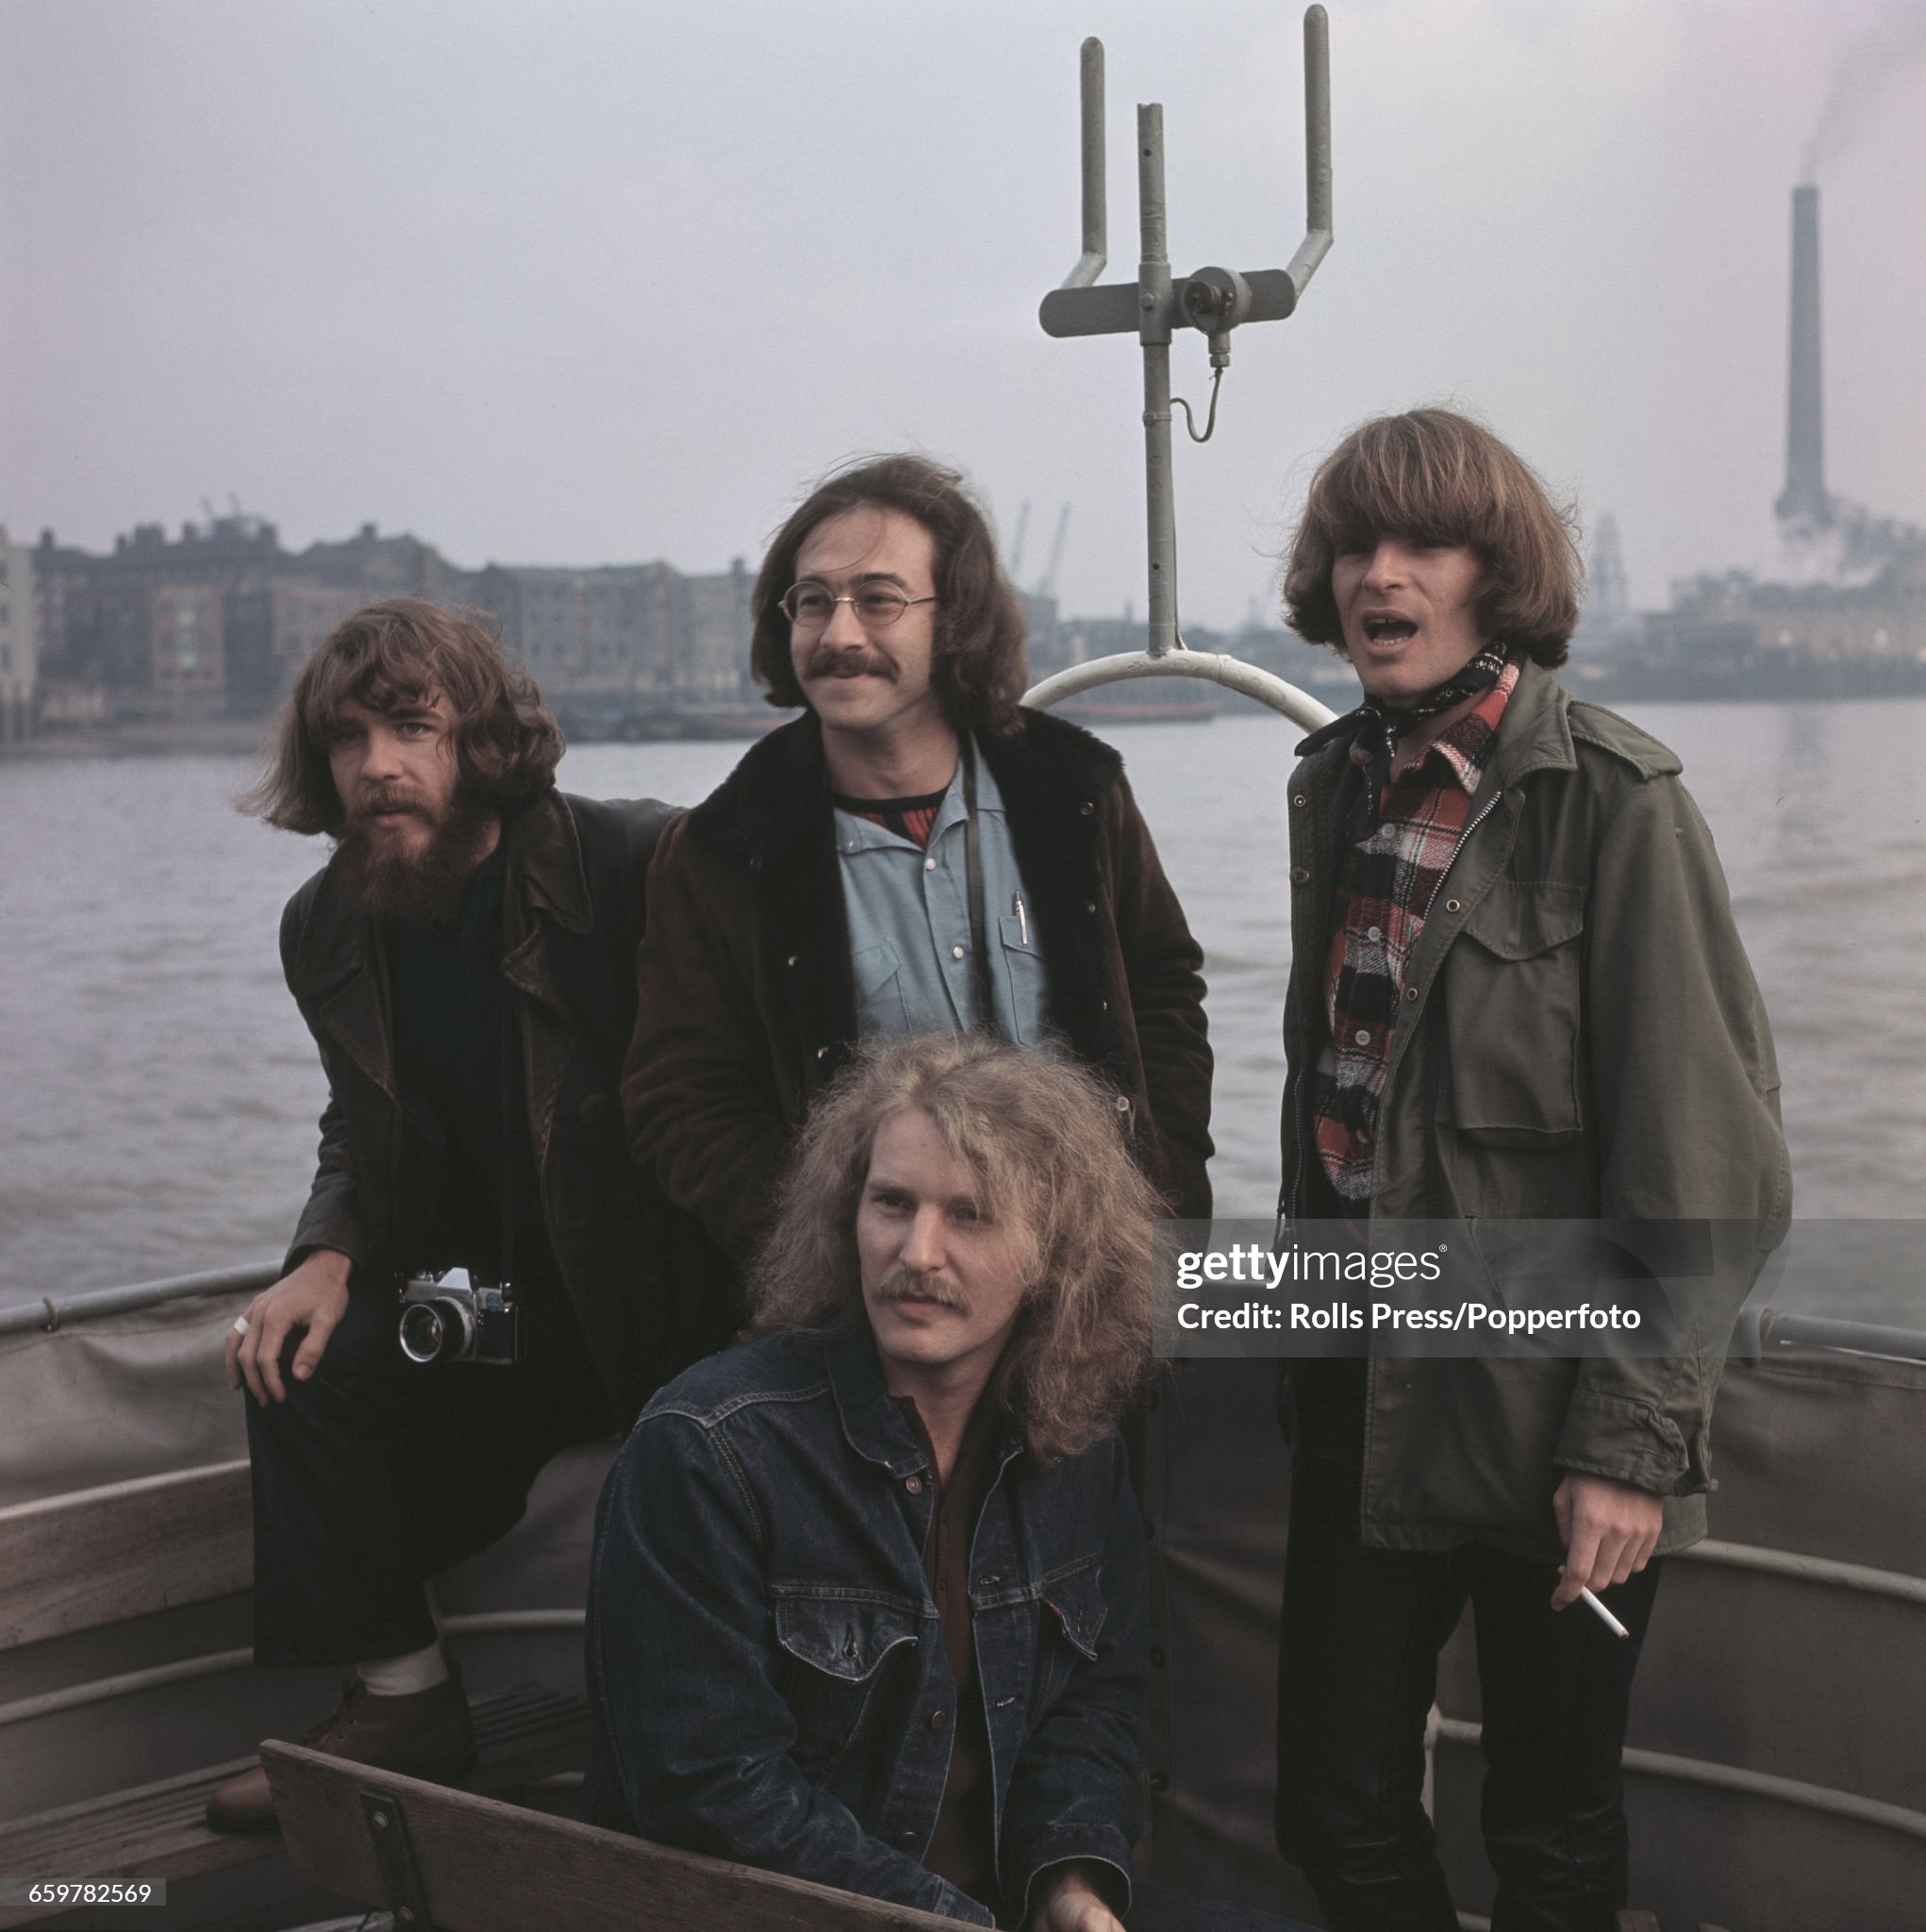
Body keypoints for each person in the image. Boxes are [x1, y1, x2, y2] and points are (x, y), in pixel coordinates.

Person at [1269, 409, 1790, 1930]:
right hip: (1363, 1388)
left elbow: (1707, 1163)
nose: (1378, 576)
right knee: (1331, 1806)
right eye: (1354, 546)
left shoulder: (1614, 802)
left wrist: (1630, 1447)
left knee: (1550, 1834)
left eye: (1422, 545)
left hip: (1551, 1408)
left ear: (1496, 577)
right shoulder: (1333, 784)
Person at [209, 599, 726, 1830]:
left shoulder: (635, 861)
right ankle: (406, 1700)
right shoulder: (327, 923)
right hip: (501, 1310)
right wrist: (325, 1255)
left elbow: (755, 1087)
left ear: (481, 735)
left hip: (665, 1304)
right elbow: (359, 1125)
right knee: (305, 1361)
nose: (375, 766)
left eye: (410, 726)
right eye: (347, 739)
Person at [584, 1033, 1158, 1930]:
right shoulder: (707, 1450)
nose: (917, 1252)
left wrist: (1071, 1885)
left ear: (1056, 1252)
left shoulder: (1079, 1447)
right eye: (892, 1203)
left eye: (970, 1215)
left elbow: (1097, 1706)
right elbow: (711, 1792)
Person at [622, 454, 1213, 1269]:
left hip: (1089, 1268)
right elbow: (683, 1102)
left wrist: (1158, 1199)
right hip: (871, 1297)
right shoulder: (723, 853)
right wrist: (835, 1256)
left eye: (878, 599)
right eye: (813, 601)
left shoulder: (1075, 794)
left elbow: (1163, 992)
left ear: (956, 620)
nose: (839, 636)